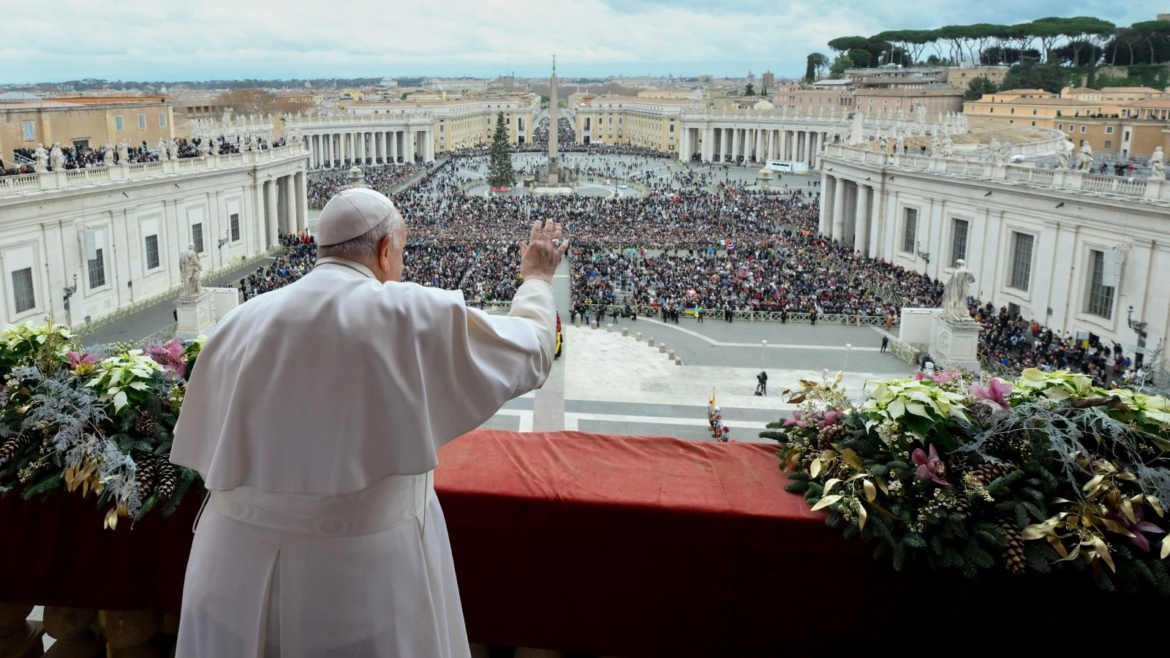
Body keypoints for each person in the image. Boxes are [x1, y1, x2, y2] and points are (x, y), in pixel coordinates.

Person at [170, 188, 567, 657]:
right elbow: (532, 349)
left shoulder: (237, 323)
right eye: (399, 253)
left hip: (228, 570)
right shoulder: (406, 312)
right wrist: (538, 279)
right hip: (356, 579)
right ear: (384, 251)